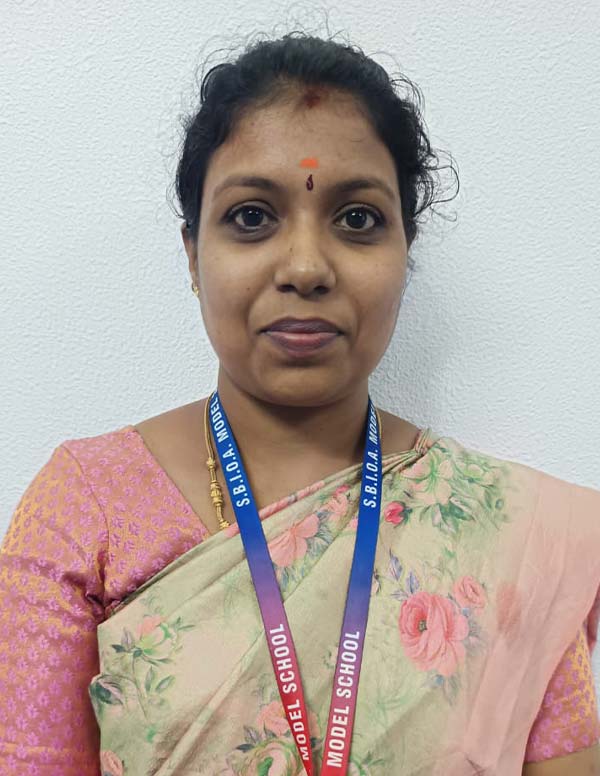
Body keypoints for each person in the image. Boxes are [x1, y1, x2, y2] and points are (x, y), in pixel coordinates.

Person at [1, 29, 600, 776]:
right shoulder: (84, 509)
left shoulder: (513, 537)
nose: (307, 267)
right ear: (193, 256)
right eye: (252, 216)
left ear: (404, 254)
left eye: (358, 219)